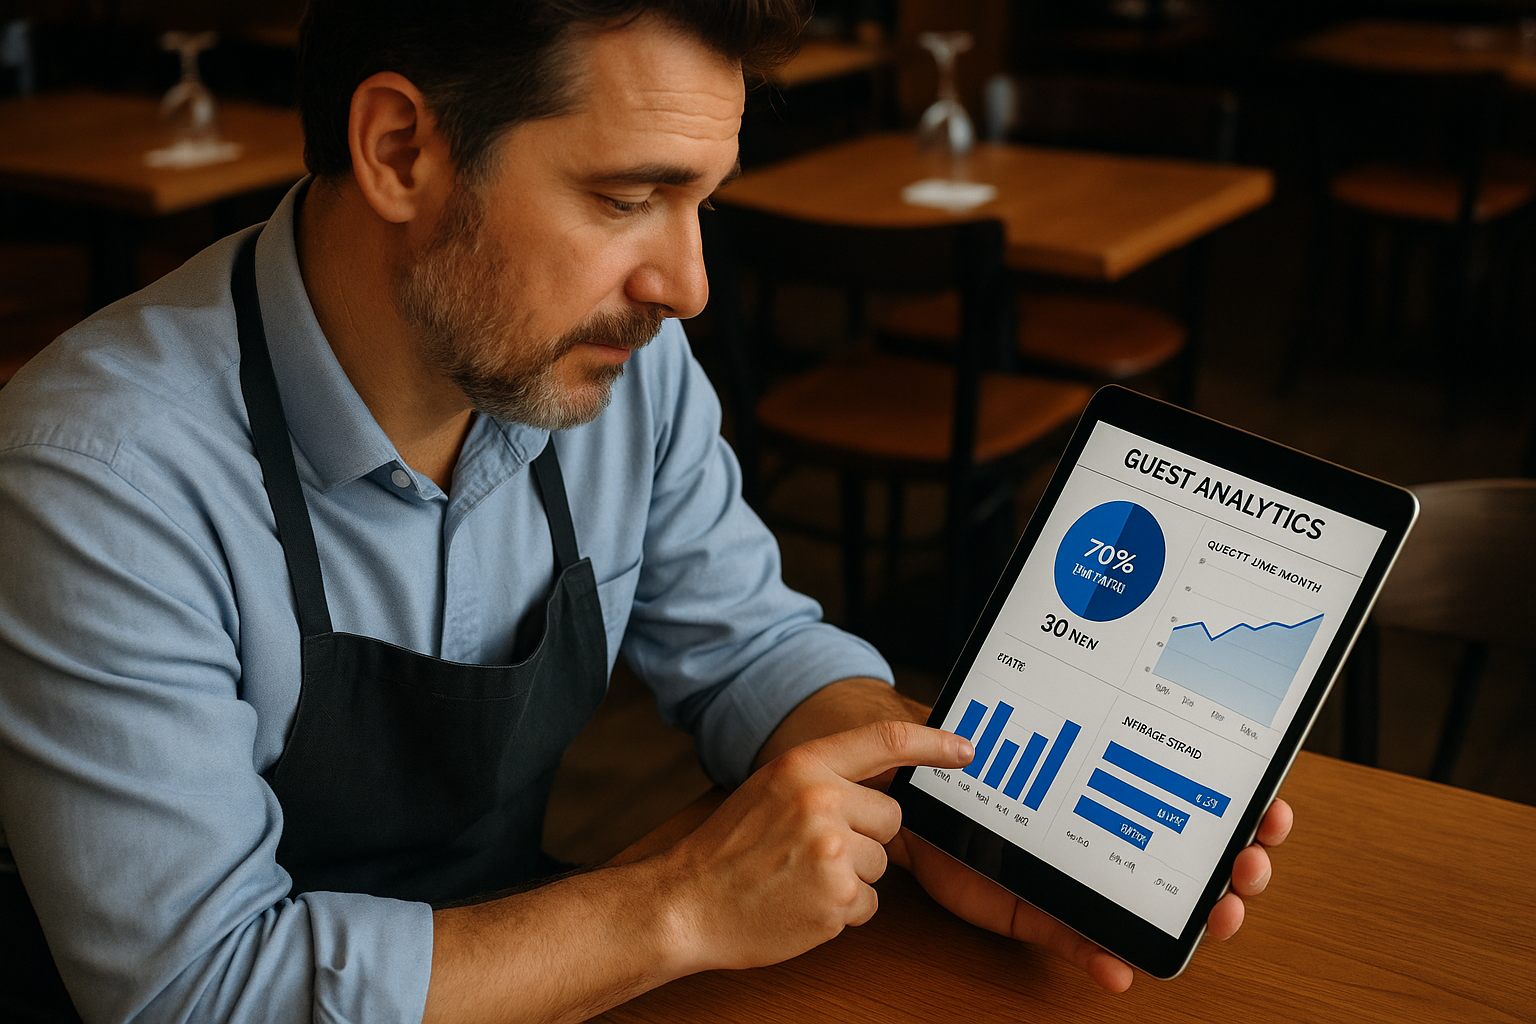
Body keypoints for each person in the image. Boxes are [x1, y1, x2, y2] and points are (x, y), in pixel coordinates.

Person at [0, 2, 1292, 1022]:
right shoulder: (100, 474)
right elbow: (196, 989)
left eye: (702, 203)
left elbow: (747, 643)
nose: (687, 284)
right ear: (399, 149)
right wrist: (673, 907)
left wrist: (952, 809)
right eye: (627, 200)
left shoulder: (611, 363)